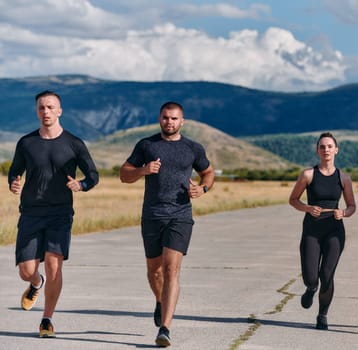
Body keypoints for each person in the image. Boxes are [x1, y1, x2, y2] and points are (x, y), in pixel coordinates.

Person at [119, 101, 214, 347]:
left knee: (171, 270)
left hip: (180, 215)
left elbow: (209, 172)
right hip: (151, 215)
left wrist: (202, 188)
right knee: (155, 271)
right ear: (159, 119)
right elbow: (124, 174)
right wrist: (143, 170)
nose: (169, 122)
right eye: (165, 118)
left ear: (182, 121)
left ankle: (165, 328)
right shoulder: (146, 146)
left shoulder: (192, 148)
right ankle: (161, 302)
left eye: (173, 119)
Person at [8, 90, 99, 338]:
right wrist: (13, 183)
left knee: (53, 265)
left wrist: (81, 185)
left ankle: (47, 319)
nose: (45, 112)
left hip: (60, 214)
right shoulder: (26, 143)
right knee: (26, 270)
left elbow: (93, 175)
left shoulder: (74, 143)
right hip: (31, 213)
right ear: (37, 111)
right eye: (41, 108)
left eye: (50, 107)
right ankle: (36, 284)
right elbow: (15, 171)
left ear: (59, 111)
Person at [289, 132, 356, 330]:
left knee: (327, 274)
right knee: (311, 275)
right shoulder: (308, 174)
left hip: (334, 229)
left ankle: (322, 315)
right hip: (312, 229)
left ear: (336, 150)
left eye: (329, 146)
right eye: (322, 147)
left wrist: (343, 212)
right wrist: (308, 208)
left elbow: (352, 206)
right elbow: (293, 200)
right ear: (317, 150)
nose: (326, 150)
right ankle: (311, 287)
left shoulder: (343, 177)